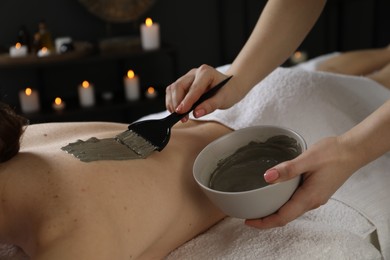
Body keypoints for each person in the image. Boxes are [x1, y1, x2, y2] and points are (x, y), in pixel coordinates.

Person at [0, 48, 389, 259]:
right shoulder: (26, 136)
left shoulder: (72, 237)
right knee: (341, 75)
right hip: (246, 98)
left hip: (284, 121)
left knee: (356, 80)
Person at [165, 0, 390, 229]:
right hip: (288, 85)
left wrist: (350, 150)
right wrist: (237, 80)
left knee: (379, 84)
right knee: (326, 72)